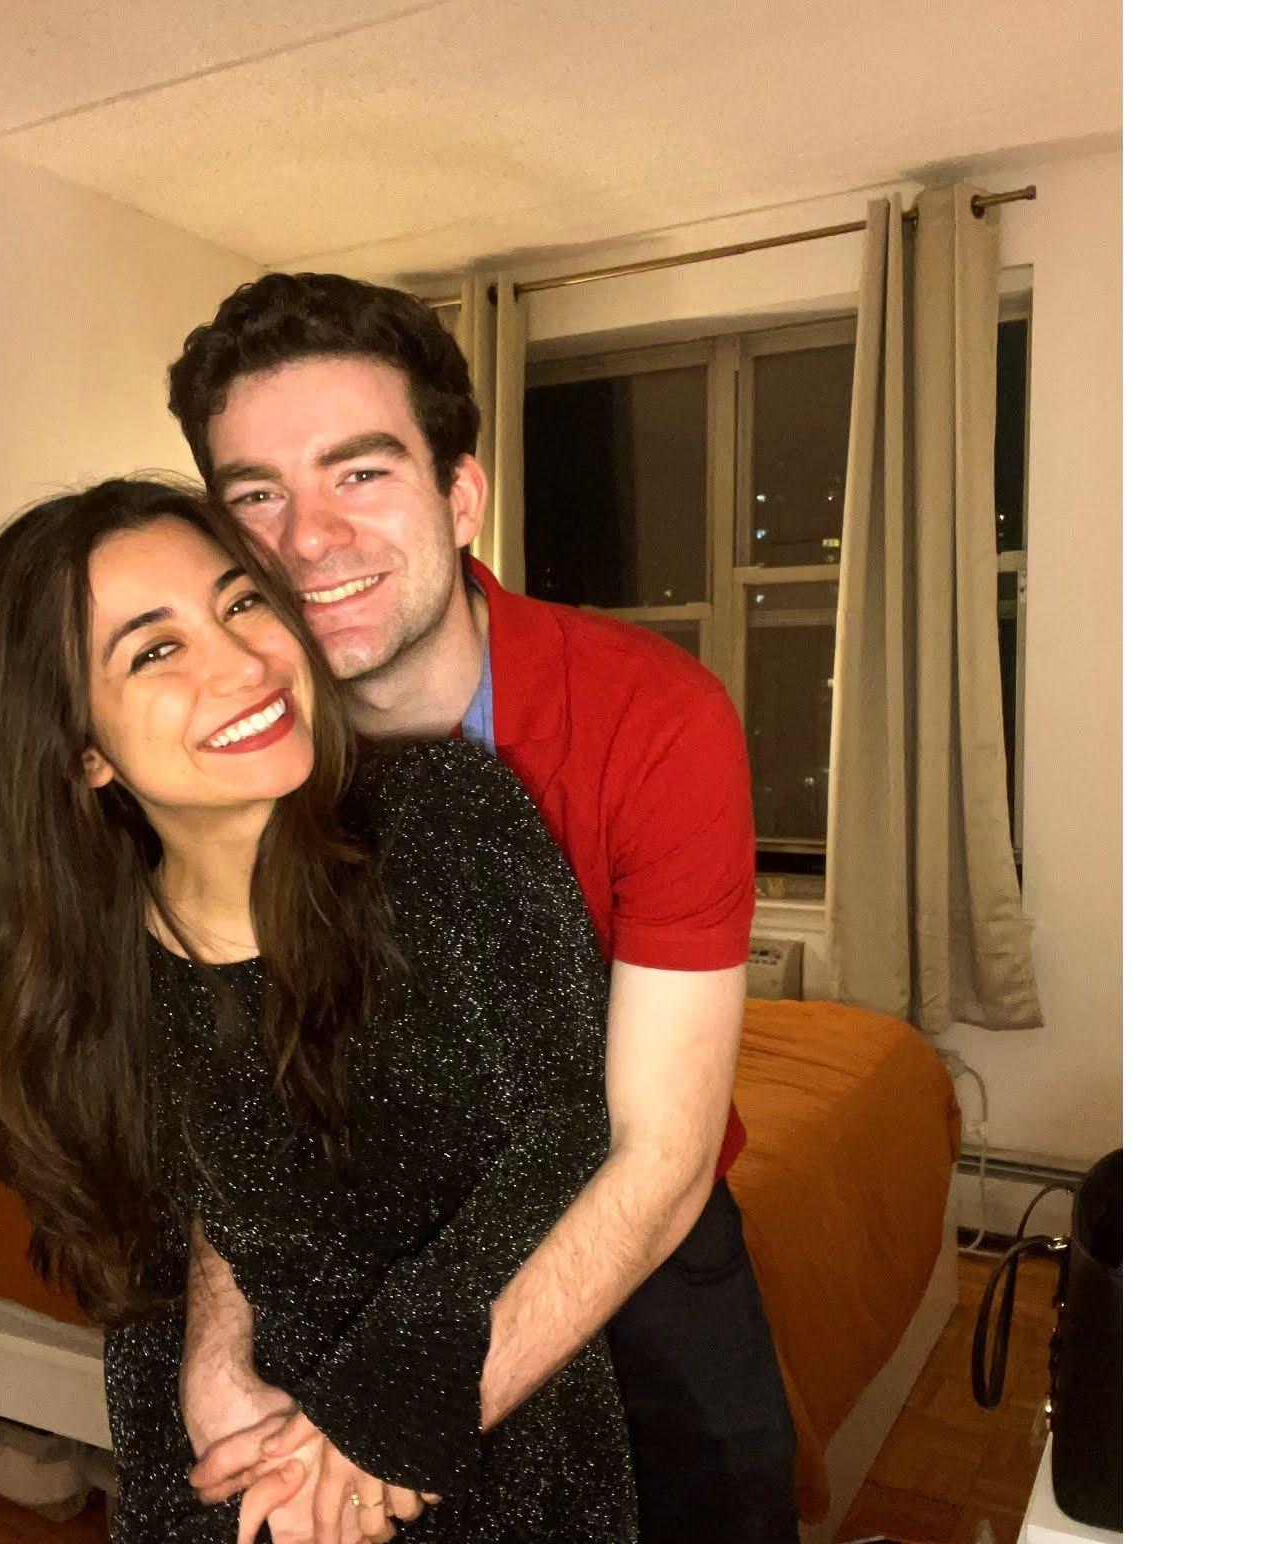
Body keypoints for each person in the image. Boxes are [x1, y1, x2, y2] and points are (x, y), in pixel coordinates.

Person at [170, 274, 800, 1544]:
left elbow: (659, 1150)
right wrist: (216, 1337)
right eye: (256, 496)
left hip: (631, 1228)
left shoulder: (652, 715)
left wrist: (398, 1418)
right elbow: (246, 1089)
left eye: (359, 473)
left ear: (460, 497)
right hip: (361, 1222)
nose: (308, 539)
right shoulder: (238, 751)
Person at [0, 478, 638, 1542]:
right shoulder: (67, 982)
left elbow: (575, 1126)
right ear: (82, 749)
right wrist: (213, 1364)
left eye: (242, 602)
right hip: (234, 1475)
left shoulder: (445, 818)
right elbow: (147, 1252)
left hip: (501, 1459)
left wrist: (382, 1408)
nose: (244, 663)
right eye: (155, 650)